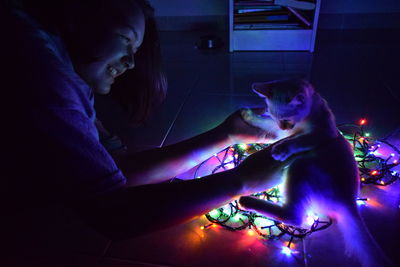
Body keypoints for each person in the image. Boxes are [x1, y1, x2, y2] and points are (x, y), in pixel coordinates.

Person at [1, 0, 297, 240]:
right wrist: (240, 181)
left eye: (135, 50)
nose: (130, 63)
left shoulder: (65, 65)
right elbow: (114, 214)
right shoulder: (43, 76)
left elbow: (116, 169)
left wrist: (227, 134)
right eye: (126, 39)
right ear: (78, 16)